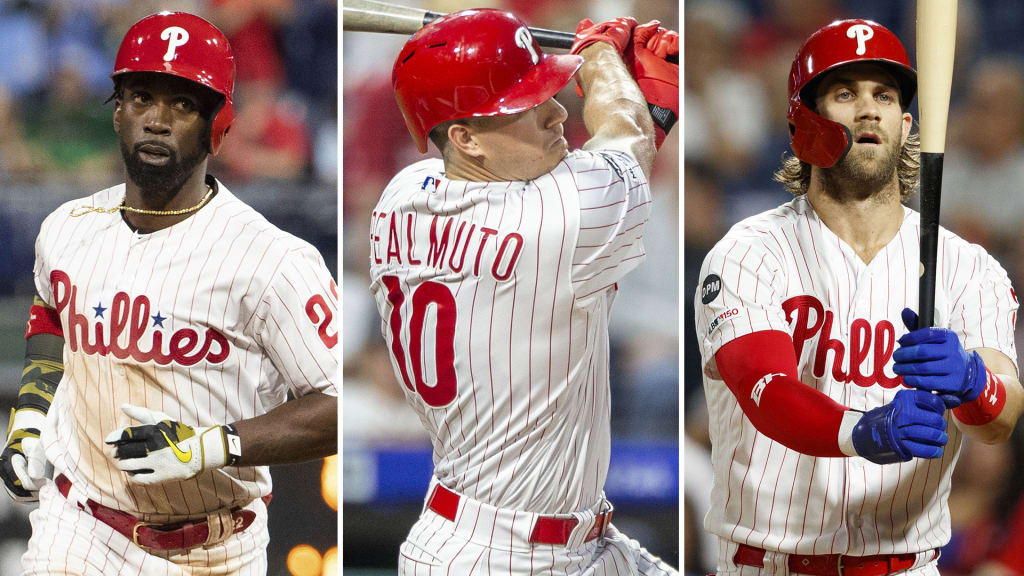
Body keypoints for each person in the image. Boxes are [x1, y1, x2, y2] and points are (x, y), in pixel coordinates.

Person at [0, 12, 338, 575]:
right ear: (115, 112)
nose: (156, 120)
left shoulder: (273, 259)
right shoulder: (67, 226)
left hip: (216, 546)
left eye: (182, 104)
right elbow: (51, 315)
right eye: (140, 97)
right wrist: (31, 419)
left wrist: (210, 445)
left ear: (218, 125)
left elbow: (334, 404)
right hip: (79, 525)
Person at [695, 19, 1024, 576]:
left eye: (884, 95)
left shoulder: (967, 267)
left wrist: (974, 381)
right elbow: (769, 395)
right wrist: (865, 430)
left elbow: (1001, 419)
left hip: (907, 565)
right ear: (804, 119)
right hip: (770, 563)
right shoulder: (749, 252)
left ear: (906, 123)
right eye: (845, 93)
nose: (869, 109)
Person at [369, 9, 679, 575]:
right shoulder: (554, 220)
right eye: (527, 105)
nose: (560, 112)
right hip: (502, 556)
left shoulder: (403, 193)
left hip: (515, 534)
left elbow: (611, 160)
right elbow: (626, 138)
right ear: (464, 138)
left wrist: (639, 103)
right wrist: (603, 58)